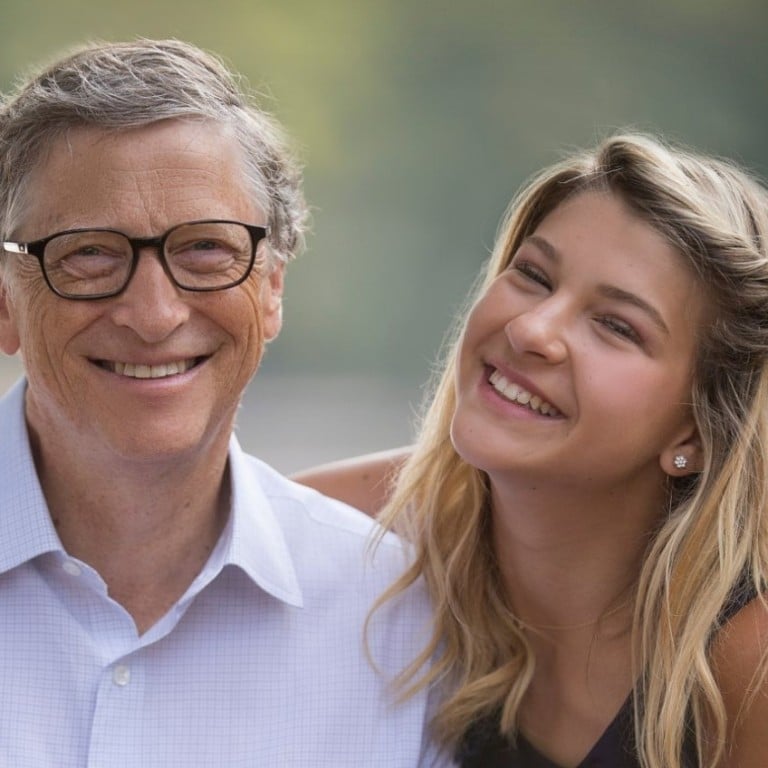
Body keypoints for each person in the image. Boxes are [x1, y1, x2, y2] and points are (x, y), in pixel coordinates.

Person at [0, 39, 438, 766]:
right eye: (89, 253)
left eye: (205, 249)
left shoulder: (397, 625)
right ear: (6, 303)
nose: (154, 313)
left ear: (271, 289)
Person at [294, 133, 768, 767]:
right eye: (534, 276)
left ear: (697, 433)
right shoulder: (340, 525)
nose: (531, 329)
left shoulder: (747, 665)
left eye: (616, 325)